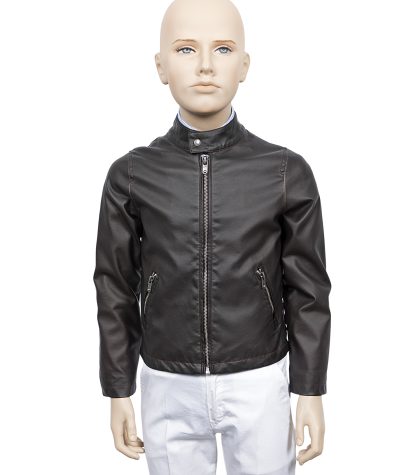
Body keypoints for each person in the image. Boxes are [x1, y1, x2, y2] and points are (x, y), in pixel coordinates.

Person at [93, 1, 331, 474]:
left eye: (222, 49)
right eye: (186, 49)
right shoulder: (133, 174)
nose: (205, 65)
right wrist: (118, 388)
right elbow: (114, 284)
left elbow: (308, 288)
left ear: (244, 65)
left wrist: (310, 387)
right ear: (160, 66)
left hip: (259, 379)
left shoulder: (284, 171)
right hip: (167, 381)